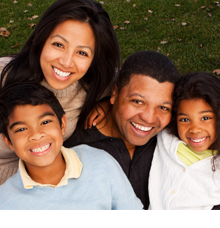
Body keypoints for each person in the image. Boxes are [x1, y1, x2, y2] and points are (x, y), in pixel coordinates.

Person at [0, 0, 121, 185]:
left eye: (82, 53)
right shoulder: (4, 75)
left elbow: (141, 86)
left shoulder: (93, 84)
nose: (66, 62)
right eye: (58, 44)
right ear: (41, 40)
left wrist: (108, 103)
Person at [64, 50, 179, 209]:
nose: (149, 118)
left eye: (163, 107)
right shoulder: (73, 151)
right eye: (138, 102)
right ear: (114, 93)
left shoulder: (172, 141)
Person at [0, 83, 142, 210]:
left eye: (45, 122)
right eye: (21, 129)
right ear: (8, 141)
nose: (36, 135)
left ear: (62, 125)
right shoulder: (5, 203)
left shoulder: (101, 162)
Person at [148, 72, 220, 210]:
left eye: (205, 118)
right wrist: (105, 103)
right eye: (185, 120)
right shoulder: (166, 138)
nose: (194, 129)